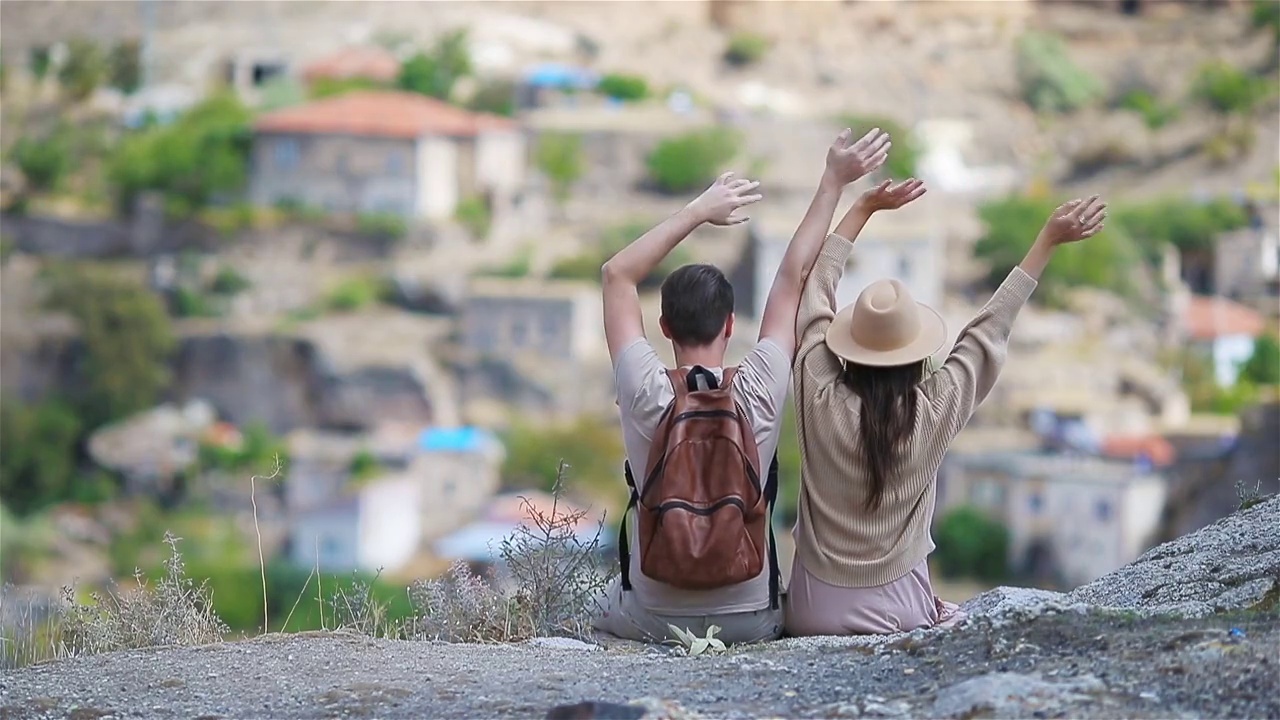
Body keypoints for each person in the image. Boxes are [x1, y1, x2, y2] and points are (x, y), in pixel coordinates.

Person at [594, 128, 892, 644]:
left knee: (587, 605)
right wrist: (833, 180)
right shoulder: (759, 386)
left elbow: (617, 274)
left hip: (650, 617)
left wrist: (699, 210)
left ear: (663, 328)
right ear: (731, 325)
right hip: (750, 619)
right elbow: (793, 277)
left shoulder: (644, 387)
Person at [785, 185, 1107, 636]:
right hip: (904, 614)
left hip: (813, 613)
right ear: (917, 356)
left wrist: (862, 208)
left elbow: (815, 294)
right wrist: (1046, 241)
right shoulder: (935, 407)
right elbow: (988, 331)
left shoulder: (817, 392)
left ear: (848, 350)